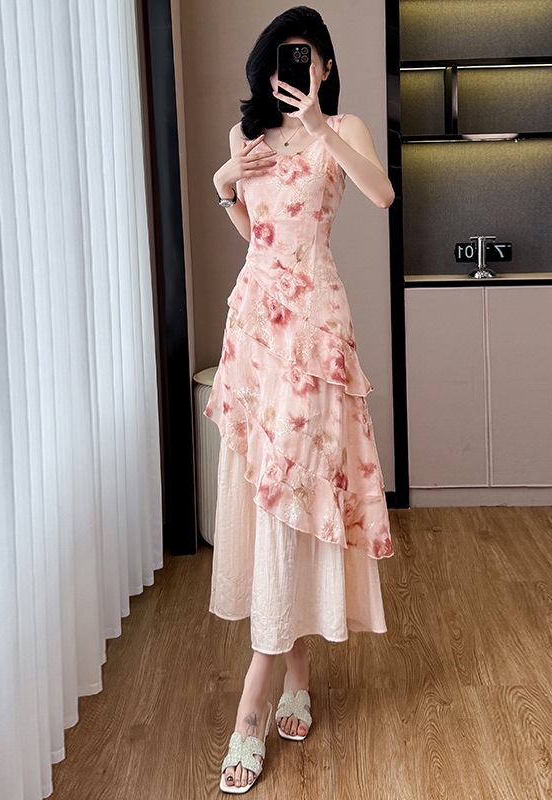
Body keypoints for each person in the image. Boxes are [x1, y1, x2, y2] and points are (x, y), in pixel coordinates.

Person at [203, 6, 395, 793]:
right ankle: (298, 679)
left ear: (325, 67)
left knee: (297, 492)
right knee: (272, 496)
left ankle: (251, 707)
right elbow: (257, 236)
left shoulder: (342, 128)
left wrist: (319, 128)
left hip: (315, 331)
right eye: (285, 54)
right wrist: (224, 185)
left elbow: (381, 195)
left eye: (308, 55)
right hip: (256, 327)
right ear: (267, 63)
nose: (298, 65)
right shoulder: (245, 137)